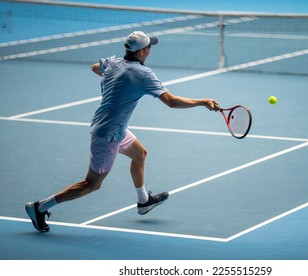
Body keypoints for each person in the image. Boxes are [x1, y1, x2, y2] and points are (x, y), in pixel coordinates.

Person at [25, 31, 219, 232]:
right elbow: (171, 102)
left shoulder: (112, 62)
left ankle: (144, 201)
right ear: (142, 51)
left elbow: (94, 67)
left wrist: (116, 79)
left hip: (114, 128)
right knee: (92, 184)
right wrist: (202, 102)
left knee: (140, 153)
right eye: (149, 46)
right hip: (107, 134)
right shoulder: (143, 74)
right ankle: (39, 207)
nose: (151, 49)